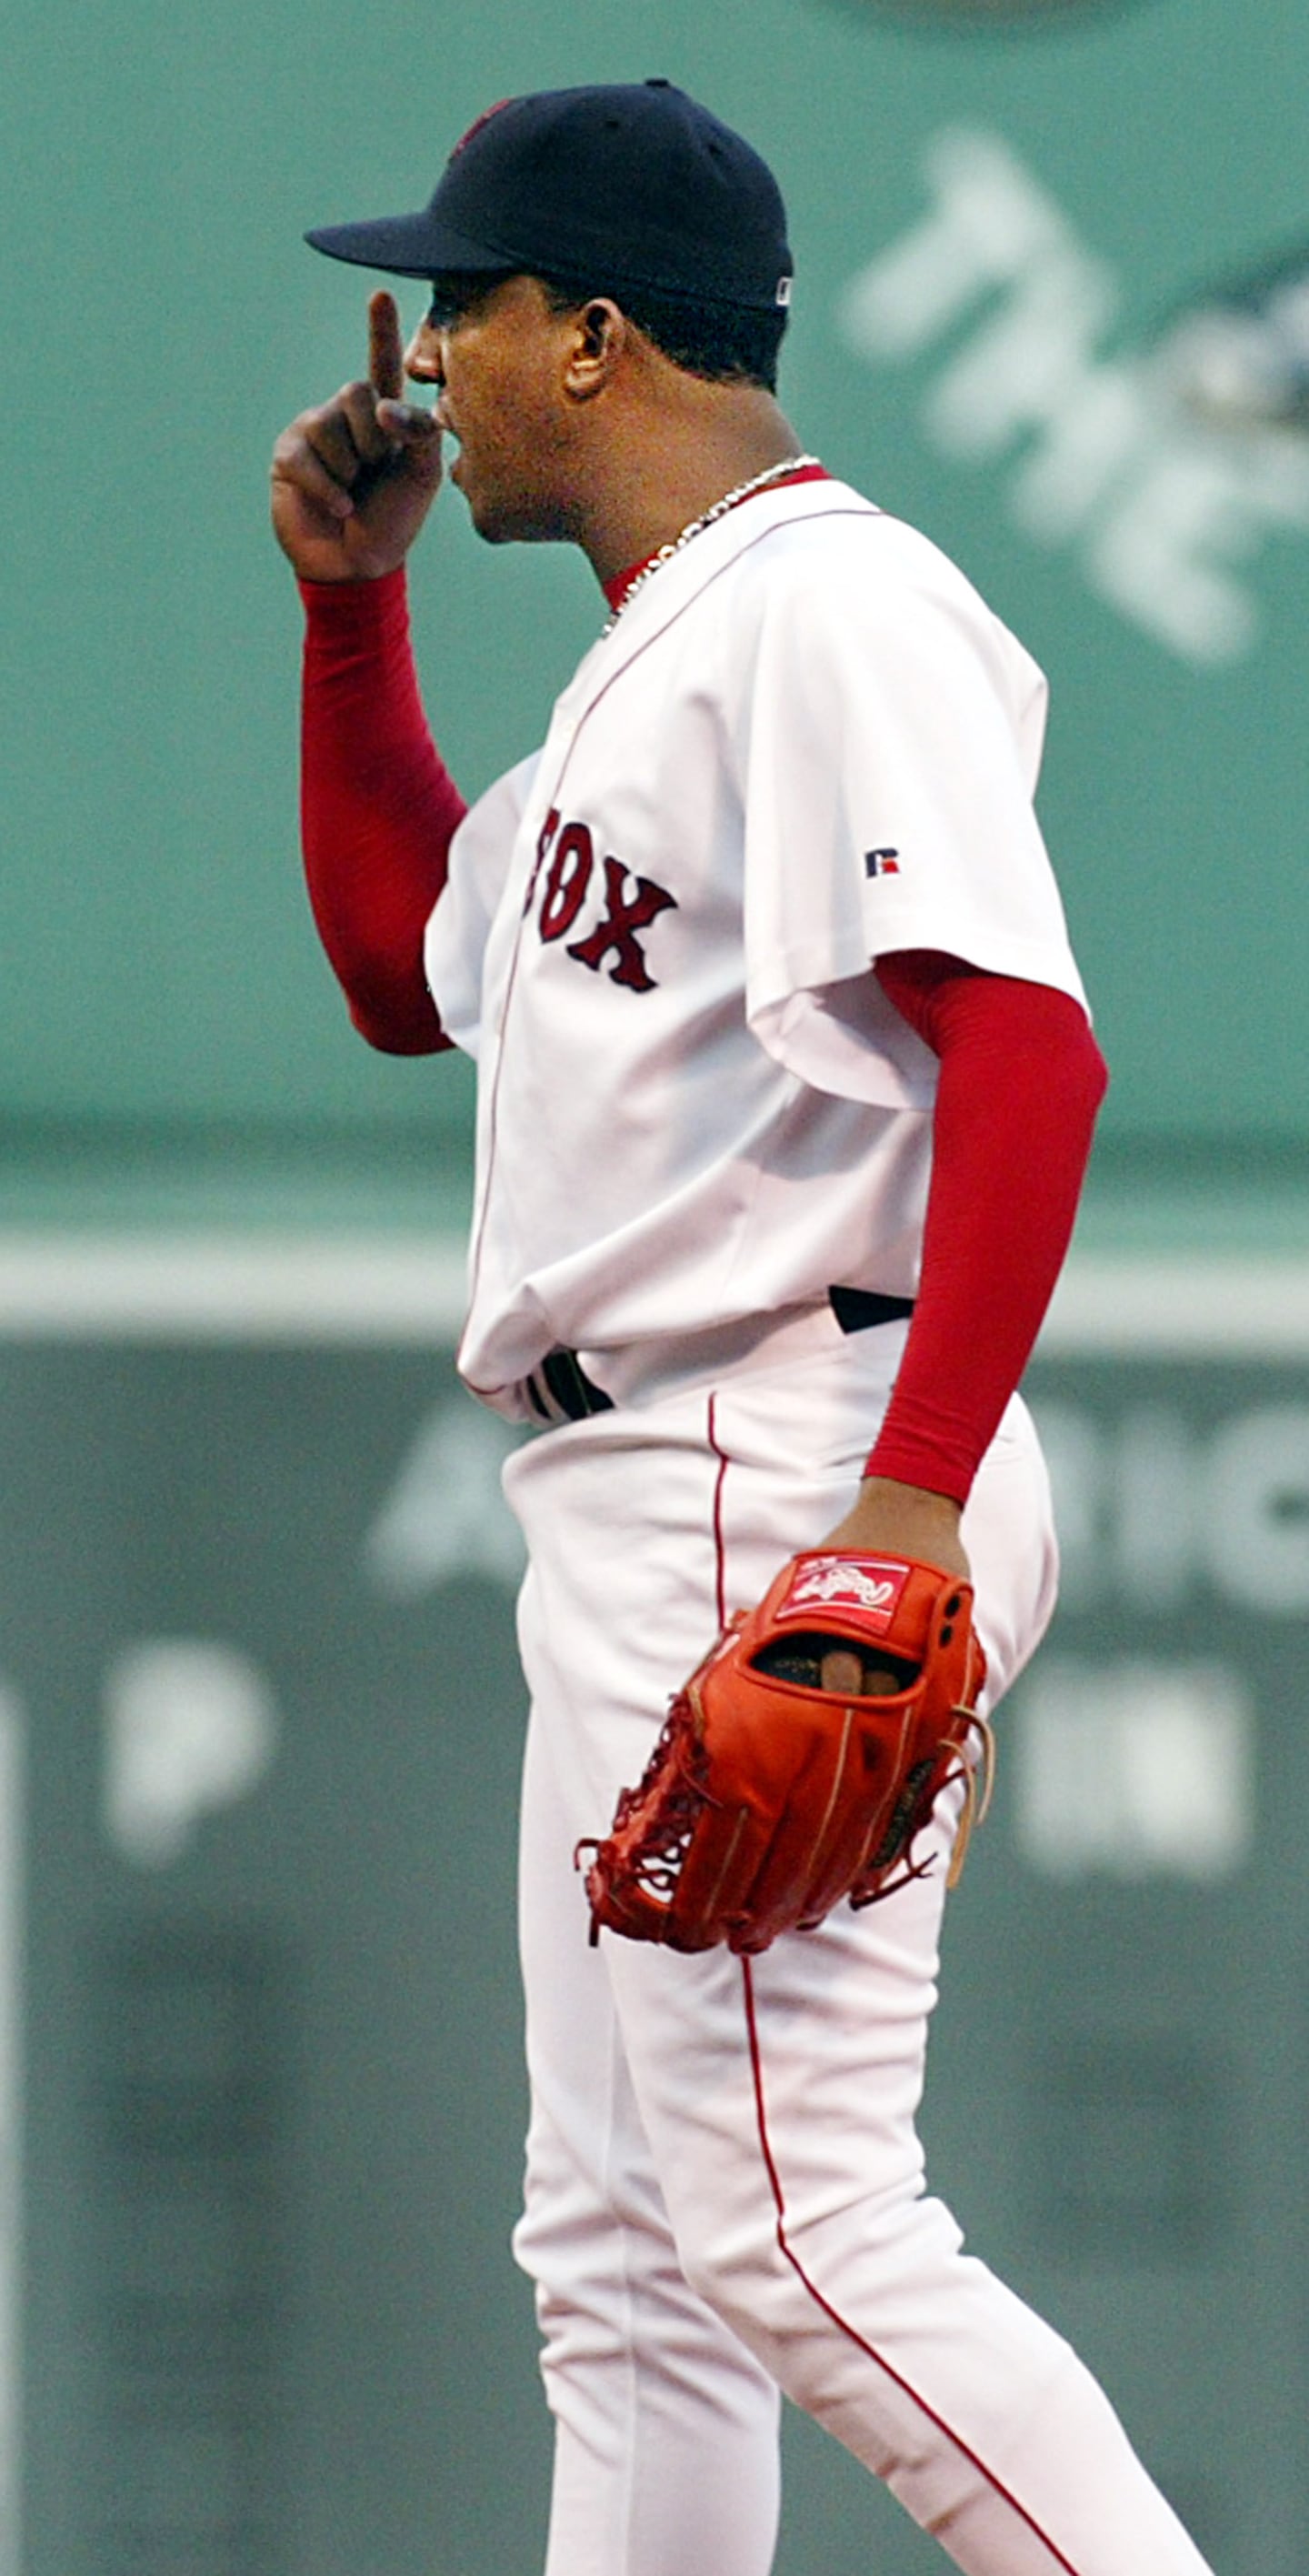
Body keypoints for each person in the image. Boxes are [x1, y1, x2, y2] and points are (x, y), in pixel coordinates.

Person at [271, 79, 1214, 2576]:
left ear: (592, 334)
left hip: (779, 1444)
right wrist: (350, 615)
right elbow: (402, 969)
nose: (428, 357)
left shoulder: (824, 604)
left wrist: (897, 1522)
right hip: (659, 1471)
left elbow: (1027, 1044)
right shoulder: (646, 672)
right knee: (632, 2266)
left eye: (465, 306)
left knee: (803, 2231)